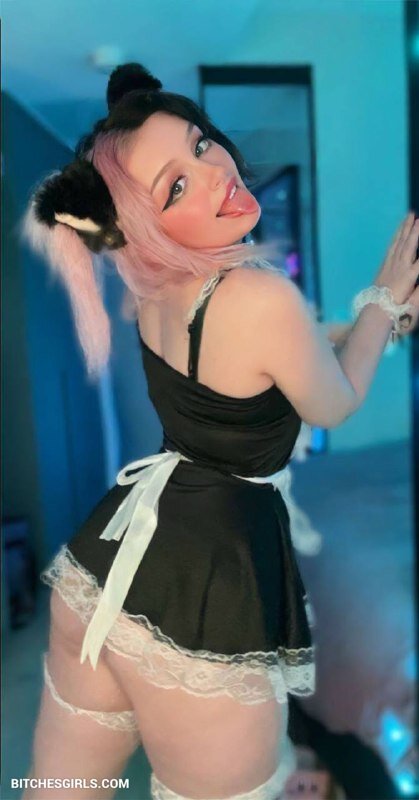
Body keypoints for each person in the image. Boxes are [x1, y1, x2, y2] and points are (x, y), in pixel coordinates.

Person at [20, 62, 419, 800]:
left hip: (103, 571)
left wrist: (375, 323)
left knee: (60, 789)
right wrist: (383, 302)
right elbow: (332, 403)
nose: (214, 174)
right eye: (174, 187)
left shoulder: (154, 294)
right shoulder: (257, 294)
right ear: (144, 226)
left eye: (201, 144)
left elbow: (284, 349)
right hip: (198, 599)